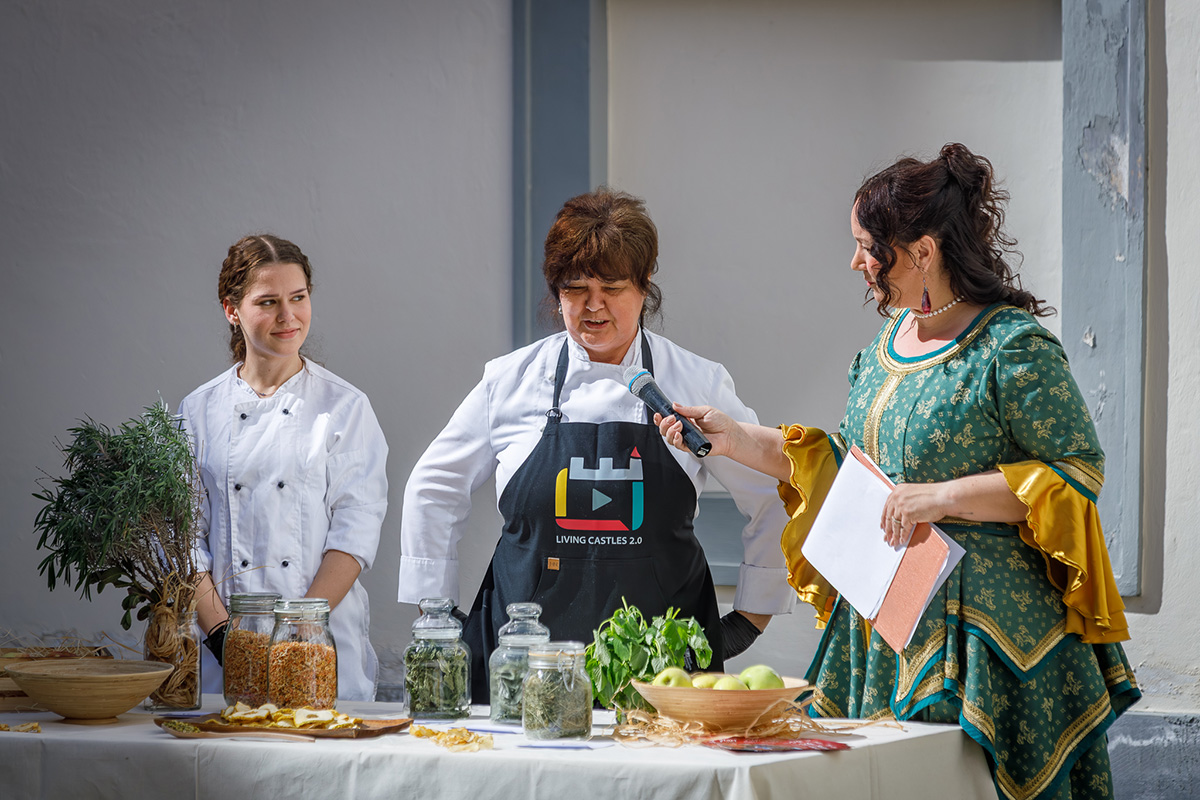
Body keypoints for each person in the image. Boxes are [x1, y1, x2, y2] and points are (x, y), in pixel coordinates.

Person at [658, 144, 1140, 800]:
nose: (855, 262)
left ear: (922, 251)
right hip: (885, 625)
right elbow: (846, 471)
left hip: (983, 640)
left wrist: (942, 497)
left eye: (867, 247)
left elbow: (1074, 474)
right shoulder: (884, 350)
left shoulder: (1012, 347)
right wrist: (736, 439)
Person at [399, 188, 795, 700]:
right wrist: (438, 615)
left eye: (612, 287)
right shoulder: (511, 380)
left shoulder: (696, 381)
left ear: (645, 285)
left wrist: (750, 615)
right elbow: (434, 486)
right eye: (576, 288)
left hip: (660, 671)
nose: (593, 305)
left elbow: (772, 490)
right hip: (525, 667)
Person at [183, 234, 388, 701]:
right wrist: (224, 637)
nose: (288, 316)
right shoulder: (198, 412)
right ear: (231, 310)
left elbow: (354, 535)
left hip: (320, 644)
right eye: (268, 302)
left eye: (298, 298)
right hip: (222, 652)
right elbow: (185, 542)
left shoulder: (346, 408)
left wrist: (298, 632)